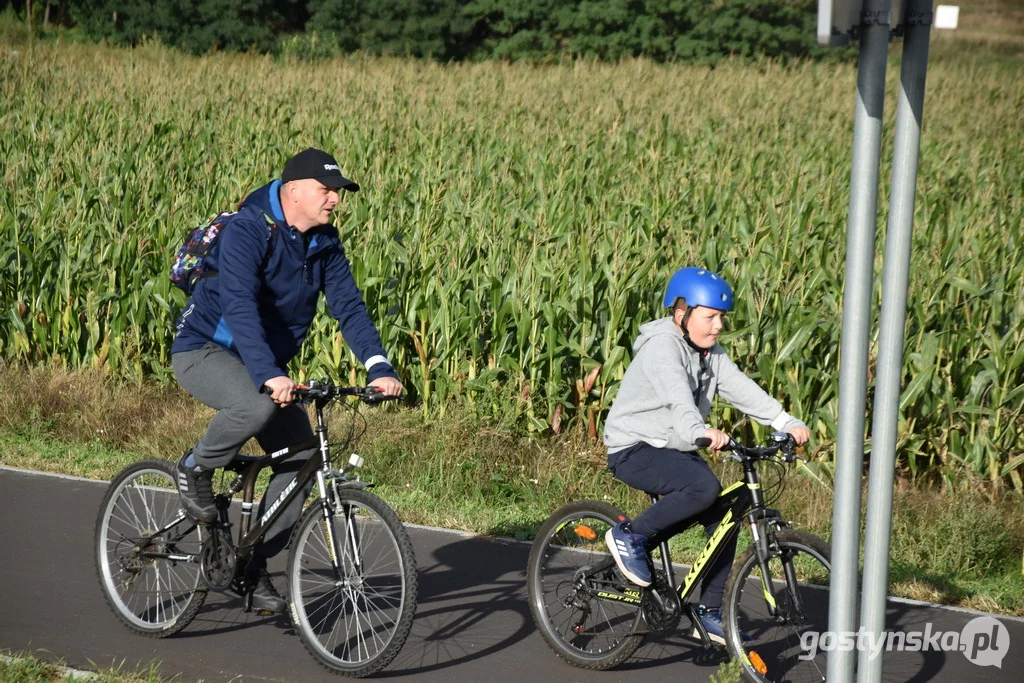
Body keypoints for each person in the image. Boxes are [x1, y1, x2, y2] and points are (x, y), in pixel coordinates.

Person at [170, 148, 403, 613]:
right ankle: (195, 467)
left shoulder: (324, 245)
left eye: (338, 192)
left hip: (263, 365)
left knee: (302, 460)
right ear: (294, 191)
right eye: (327, 190)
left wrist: (379, 366)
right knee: (256, 406)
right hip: (205, 350)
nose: (335, 199)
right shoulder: (249, 229)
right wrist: (269, 374)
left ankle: (252, 568)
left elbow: (350, 310)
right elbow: (239, 304)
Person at [602, 266, 809, 645]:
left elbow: (739, 388)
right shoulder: (662, 347)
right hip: (634, 446)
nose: (718, 326)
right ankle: (629, 536)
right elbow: (678, 397)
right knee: (704, 486)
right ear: (681, 313)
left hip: (675, 446)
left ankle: (710, 609)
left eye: (722, 318)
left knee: (726, 515)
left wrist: (784, 419)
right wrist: (699, 431)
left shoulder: (709, 352)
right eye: (710, 316)